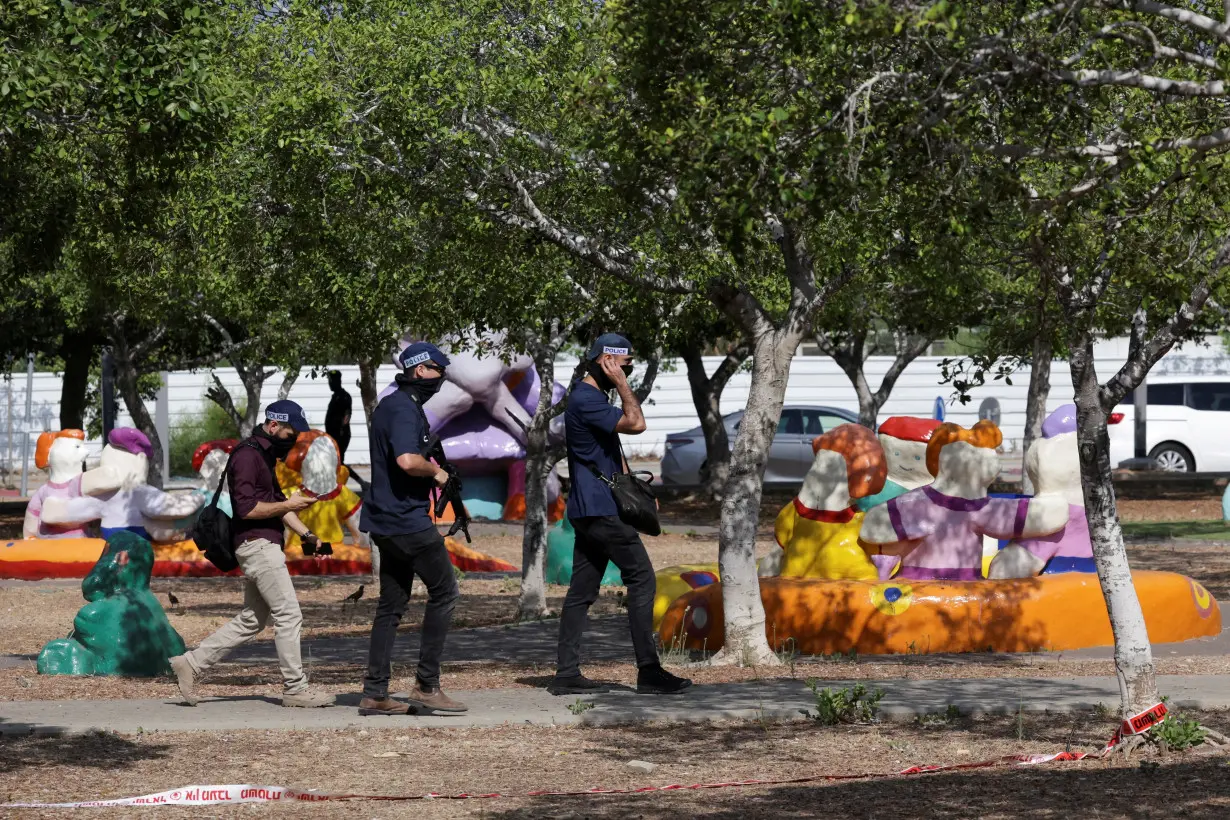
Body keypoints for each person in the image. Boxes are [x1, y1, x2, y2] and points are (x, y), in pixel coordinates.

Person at [550, 333, 692, 696]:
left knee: (582, 590)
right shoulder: (586, 398)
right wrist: (624, 385)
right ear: (605, 362)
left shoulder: (590, 398)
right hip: (599, 510)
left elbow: (611, 449)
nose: (627, 370)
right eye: (623, 364)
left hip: (590, 509)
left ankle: (566, 673)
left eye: (627, 366)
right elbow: (636, 423)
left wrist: (639, 493)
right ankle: (649, 670)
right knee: (643, 579)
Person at [168, 400, 335, 708]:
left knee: (252, 619)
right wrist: (290, 505)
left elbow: (277, 502)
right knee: (288, 614)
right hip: (257, 546)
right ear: (273, 426)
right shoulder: (247, 457)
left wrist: (308, 535)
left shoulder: (263, 455)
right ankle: (295, 689)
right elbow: (247, 509)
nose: (293, 439)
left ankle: (190, 664)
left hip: (262, 545)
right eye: (290, 432)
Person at [358, 341, 465, 716]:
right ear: (420, 370)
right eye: (439, 370)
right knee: (446, 591)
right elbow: (406, 460)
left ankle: (375, 693)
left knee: (391, 605)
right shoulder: (402, 408)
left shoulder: (392, 406)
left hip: (386, 520)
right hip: (406, 520)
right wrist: (437, 472)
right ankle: (426, 685)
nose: (442, 378)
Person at [325, 369, 370, 495]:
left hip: (340, 435)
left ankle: (359, 483)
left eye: (332, 381)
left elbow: (347, 415)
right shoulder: (336, 396)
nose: (330, 384)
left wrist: (340, 433)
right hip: (333, 436)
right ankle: (341, 486)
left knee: (339, 463)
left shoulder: (344, 396)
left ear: (338, 381)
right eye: (329, 381)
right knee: (337, 463)